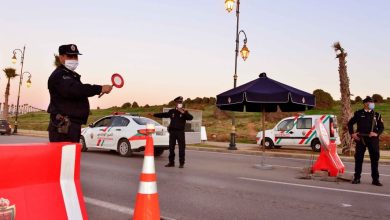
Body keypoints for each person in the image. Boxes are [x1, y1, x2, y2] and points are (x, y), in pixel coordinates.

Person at [47, 44, 113, 142]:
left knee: (71, 156)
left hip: (71, 126)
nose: (74, 59)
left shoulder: (70, 75)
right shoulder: (59, 75)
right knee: (64, 157)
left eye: (75, 56)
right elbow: (76, 90)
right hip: (62, 128)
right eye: (70, 56)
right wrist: (100, 88)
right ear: (61, 58)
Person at [348, 96, 384, 186]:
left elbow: (381, 127)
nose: (373, 104)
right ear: (365, 104)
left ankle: (375, 180)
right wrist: (352, 134)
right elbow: (350, 123)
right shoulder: (358, 113)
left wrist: (377, 134)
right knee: (359, 159)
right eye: (371, 102)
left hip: (373, 140)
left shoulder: (377, 115)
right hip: (361, 139)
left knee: (375, 159)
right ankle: (357, 178)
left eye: (373, 102)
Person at [153, 96, 193, 168]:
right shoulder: (172, 111)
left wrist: (183, 112)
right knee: (171, 148)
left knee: (181, 148)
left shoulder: (184, 112)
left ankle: (181, 163)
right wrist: (154, 114)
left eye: (181, 102)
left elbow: (190, 118)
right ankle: (171, 162)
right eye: (178, 102)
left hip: (180, 132)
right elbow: (164, 115)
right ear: (175, 103)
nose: (179, 103)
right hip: (172, 132)